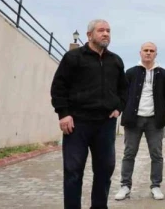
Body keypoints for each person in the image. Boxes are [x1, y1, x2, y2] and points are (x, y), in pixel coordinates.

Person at [50, 19, 128, 209]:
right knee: (73, 171)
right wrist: (64, 114)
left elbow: (124, 89)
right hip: (77, 124)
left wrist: (119, 107)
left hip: (105, 124)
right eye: (101, 30)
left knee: (104, 170)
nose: (106, 34)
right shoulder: (73, 58)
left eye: (108, 30)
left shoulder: (115, 61)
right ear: (89, 35)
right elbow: (59, 87)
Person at [114, 42, 165, 201]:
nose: (148, 53)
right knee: (129, 153)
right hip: (133, 120)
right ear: (140, 53)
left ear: (156, 54)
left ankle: (156, 186)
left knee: (156, 154)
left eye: (151, 50)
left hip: (154, 120)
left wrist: (158, 108)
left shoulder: (163, 74)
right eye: (145, 50)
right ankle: (125, 186)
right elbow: (123, 93)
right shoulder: (131, 72)